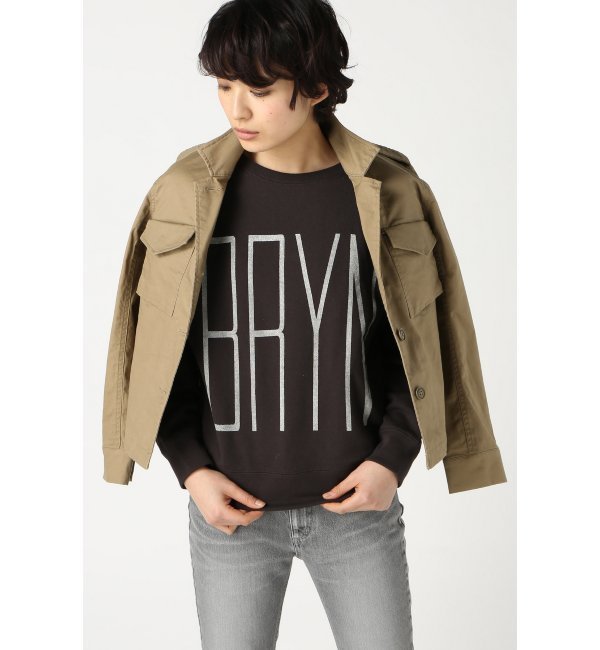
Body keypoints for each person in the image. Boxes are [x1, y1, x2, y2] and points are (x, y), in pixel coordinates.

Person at [102, 1, 507, 647]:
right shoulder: (185, 193)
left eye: (260, 90)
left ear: (316, 87)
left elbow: (420, 340)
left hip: (357, 514)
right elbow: (158, 350)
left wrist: (392, 458)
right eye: (224, 86)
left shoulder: (386, 191)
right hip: (230, 519)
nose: (237, 109)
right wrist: (192, 470)